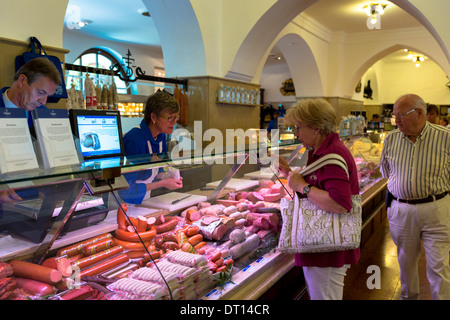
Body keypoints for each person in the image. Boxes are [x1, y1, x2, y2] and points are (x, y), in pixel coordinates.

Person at [277, 98, 360, 300]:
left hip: (327, 251)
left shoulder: (333, 153)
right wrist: (289, 174)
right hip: (323, 246)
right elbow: (321, 183)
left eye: (299, 127)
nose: (296, 133)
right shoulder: (322, 150)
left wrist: (301, 186)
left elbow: (340, 204)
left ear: (316, 128)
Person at [380, 94, 450, 300]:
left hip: (436, 208)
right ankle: (408, 297)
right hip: (401, 209)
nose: (397, 121)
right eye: (395, 116)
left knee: (440, 264)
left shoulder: (445, 137)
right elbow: (386, 172)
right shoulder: (391, 139)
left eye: (401, 115)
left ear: (420, 113)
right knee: (405, 261)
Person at [0, 57, 61, 204]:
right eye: (40, 92)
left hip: (33, 200)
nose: (43, 101)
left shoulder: (43, 115)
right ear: (22, 81)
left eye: (47, 95)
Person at [119, 90, 183, 204]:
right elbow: (126, 188)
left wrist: (167, 176)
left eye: (176, 117)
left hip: (144, 200)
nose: (174, 122)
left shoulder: (161, 136)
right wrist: (163, 183)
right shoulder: (135, 140)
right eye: (170, 118)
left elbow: (153, 171)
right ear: (153, 117)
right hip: (124, 204)